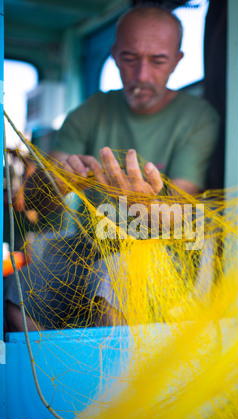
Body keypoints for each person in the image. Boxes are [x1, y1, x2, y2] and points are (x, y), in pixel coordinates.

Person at [5, 4, 219, 331]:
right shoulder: (91, 112)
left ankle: (119, 383)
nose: (142, 75)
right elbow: (34, 204)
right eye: (130, 59)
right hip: (91, 245)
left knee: (117, 275)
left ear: (177, 60)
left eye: (158, 61)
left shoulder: (198, 118)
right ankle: (52, 378)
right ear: (115, 55)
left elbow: (182, 205)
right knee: (20, 287)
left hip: (167, 249)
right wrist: (57, 181)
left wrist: (145, 205)